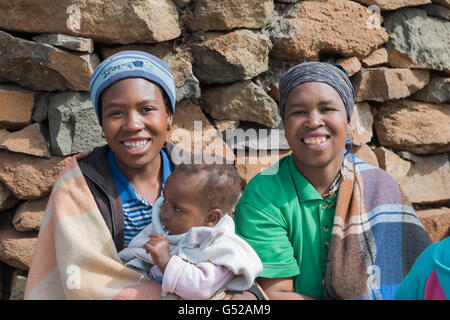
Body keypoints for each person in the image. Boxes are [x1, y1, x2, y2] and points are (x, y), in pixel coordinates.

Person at [24, 50, 262, 300]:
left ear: (169, 116)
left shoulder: (199, 178)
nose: (133, 124)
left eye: (147, 109)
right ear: (101, 123)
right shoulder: (78, 189)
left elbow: (227, 253)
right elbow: (86, 281)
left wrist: (249, 295)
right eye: (116, 113)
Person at [233, 61, 432, 300]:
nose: (314, 121)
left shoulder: (379, 187)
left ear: (348, 122)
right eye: (298, 112)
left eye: (327, 109)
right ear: (284, 125)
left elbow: (419, 278)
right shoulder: (263, 197)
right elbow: (276, 293)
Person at [118, 163, 263, 300]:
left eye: (177, 209)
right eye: (165, 201)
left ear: (211, 218)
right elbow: (134, 255)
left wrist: (164, 261)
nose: (165, 213)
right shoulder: (167, 228)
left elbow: (199, 288)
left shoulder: (219, 248)